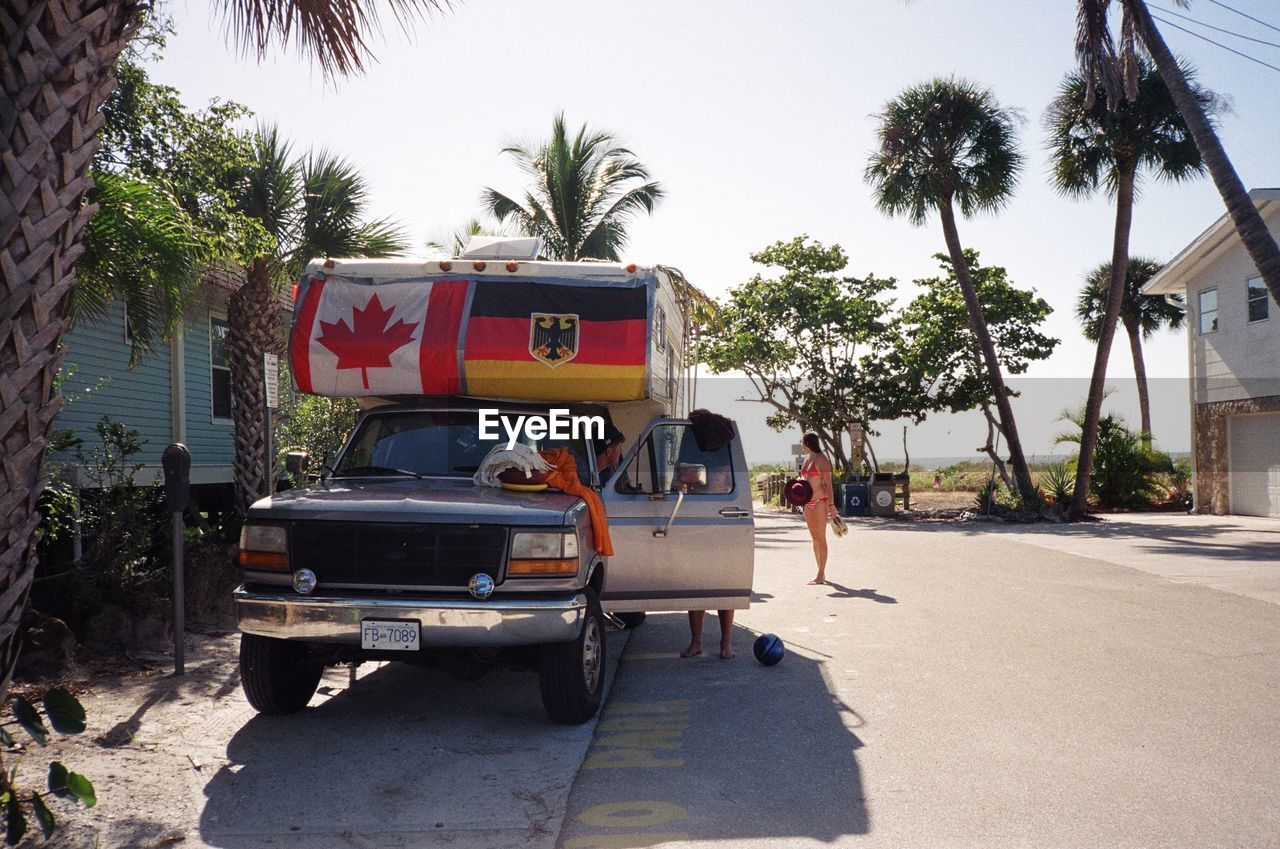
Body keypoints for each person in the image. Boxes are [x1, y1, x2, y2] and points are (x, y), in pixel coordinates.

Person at [800, 432, 837, 585]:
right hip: (807, 503)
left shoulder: (822, 460)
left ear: (807, 443)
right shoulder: (806, 460)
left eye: (803, 443)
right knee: (814, 539)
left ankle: (821, 574)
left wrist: (831, 505)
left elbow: (828, 484)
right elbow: (804, 480)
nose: (802, 446)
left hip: (821, 501)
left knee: (821, 538)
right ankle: (820, 571)